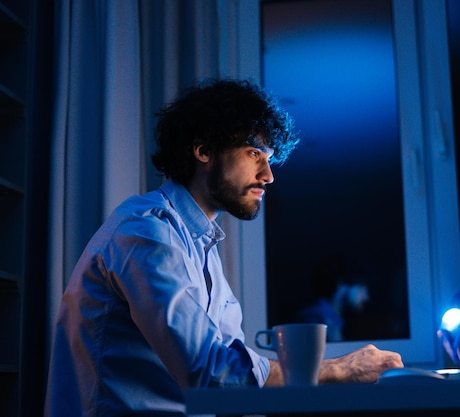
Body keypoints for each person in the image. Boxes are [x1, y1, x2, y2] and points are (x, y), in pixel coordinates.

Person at [44, 79, 403, 416]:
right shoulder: (146, 232)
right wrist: (340, 369)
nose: (268, 174)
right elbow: (211, 374)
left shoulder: (202, 246)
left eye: (269, 158)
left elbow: (230, 377)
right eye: (253, 153)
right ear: (203, 150)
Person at [296, 253, 372, 341]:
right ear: (342, 284)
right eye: (362, 287)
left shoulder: (331, 320)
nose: (366, 297)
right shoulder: (315, 318)